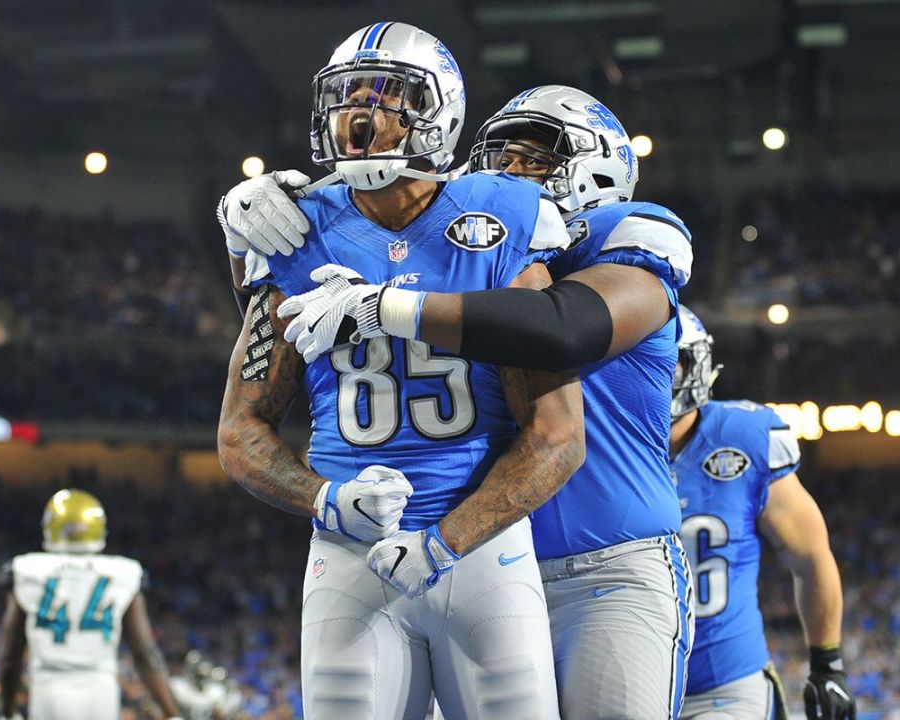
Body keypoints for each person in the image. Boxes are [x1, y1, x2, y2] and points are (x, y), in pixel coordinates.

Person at [229, 85, 696, 719]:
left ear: (603, 166)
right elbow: (309, 333)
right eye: (496, 157)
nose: (508, 173)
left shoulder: (626, 233)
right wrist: (260, 239)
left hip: (604, 570)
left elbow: (560, 326)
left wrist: (382, 305)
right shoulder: (469, 248)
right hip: (483, 552)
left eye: (534, 157)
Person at [215, 23, 582, 720]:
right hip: (350, 556)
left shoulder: (498, 217)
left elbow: (559, 435)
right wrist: (325, 499)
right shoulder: (295, 227)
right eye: (346, 93)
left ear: (437, 111)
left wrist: (446, 542)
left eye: (386, 93)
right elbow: (240, 431)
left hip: (482, 551)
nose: (359, 111)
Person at [668, 307, 856, 720]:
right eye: (644, 359)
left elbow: (810, 556)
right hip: (623, 679)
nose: (658, 374)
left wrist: (828, 664)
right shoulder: (593, 443)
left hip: (724, 686)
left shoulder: (743, 438)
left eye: (671, 360)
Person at [0, 489, 181, 720]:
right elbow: (145, 653)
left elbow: (11, 656)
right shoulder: (123, 573)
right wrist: (171, 713)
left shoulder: (27, 570)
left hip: (49, 688)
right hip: (100, 691)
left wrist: (7, 711)